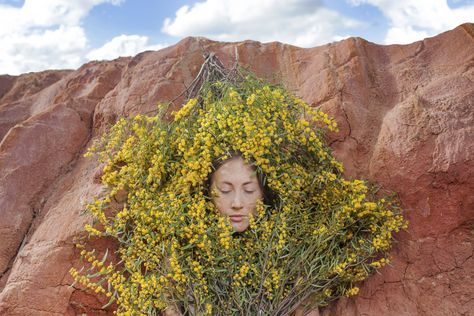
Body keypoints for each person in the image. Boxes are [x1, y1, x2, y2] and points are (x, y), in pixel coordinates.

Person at [208, 153, 320, 316]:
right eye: (225, 190)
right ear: (207, 192)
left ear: (263, 193)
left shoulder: (291, 256)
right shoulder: (186, 255)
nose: (237, 203)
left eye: (249, 190)